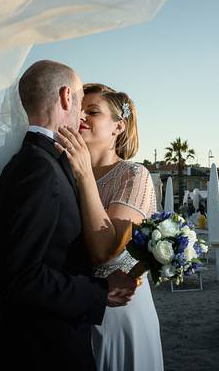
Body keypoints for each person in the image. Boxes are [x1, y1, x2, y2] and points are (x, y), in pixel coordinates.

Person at [0, 60, 139, 370]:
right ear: (65, 97)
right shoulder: (38, 169)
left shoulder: (43, 161)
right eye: (80, 98)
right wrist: (100, 292)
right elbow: (18, 279)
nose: (82, 112)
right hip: (45, 349)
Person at [55, 83, 163, 371]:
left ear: (118, 127)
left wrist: (84, 175)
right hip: (74, 305)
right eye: (79, 111)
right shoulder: (61, 171)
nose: (81, 118)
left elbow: (106, 251)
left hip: (119, 311)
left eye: (93, 111)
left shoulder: (134, 175)